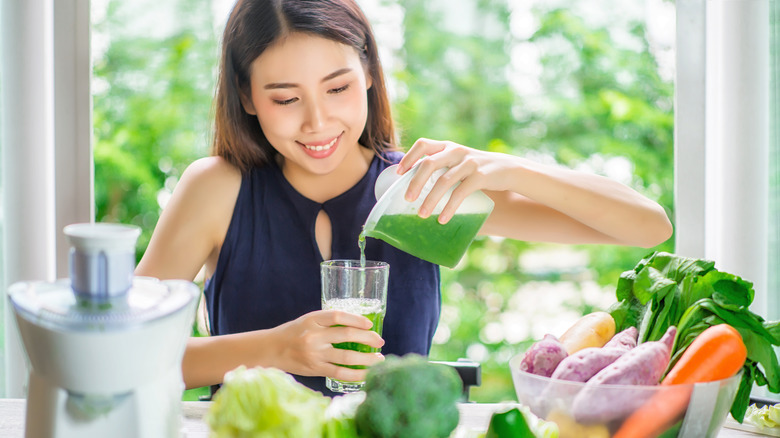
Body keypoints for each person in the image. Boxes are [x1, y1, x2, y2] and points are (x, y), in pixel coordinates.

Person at [135, 0, 673, 396]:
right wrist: (274, 348)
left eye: (338, 88)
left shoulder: (419, 188)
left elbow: (646, 227)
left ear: (369, 72)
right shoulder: (217, 189)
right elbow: (120, 355)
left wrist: (510, 169)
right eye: (285, 98)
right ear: (247, 96)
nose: (317, 122)